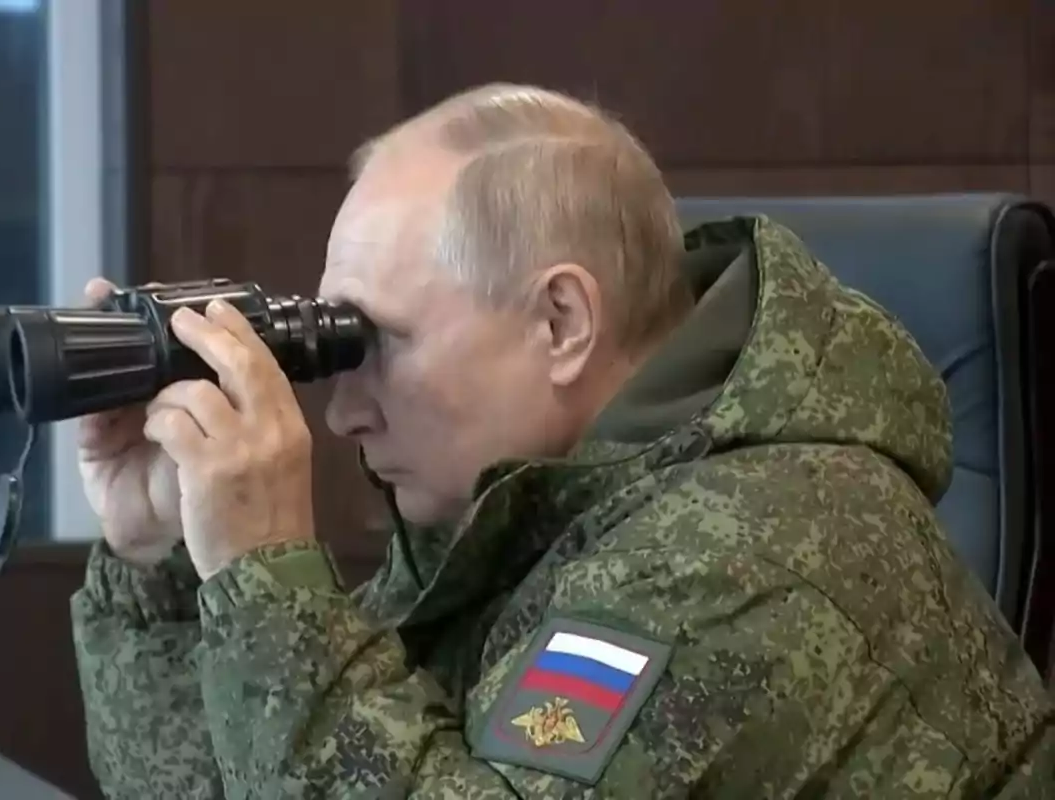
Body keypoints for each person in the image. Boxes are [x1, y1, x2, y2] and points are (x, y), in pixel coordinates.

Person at [70, 84, 1055, 798]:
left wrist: (268, 584)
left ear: (561, 323)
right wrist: (162, 563)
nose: (343, 412)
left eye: (379, 342)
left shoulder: (752, 552)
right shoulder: (532, 510)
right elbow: (243, 775)